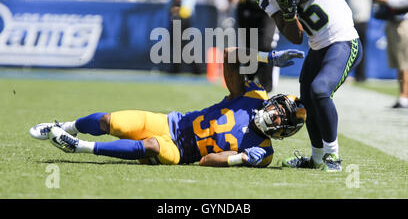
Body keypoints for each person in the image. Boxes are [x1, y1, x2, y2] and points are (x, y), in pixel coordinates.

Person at [29, 47, 305, 167]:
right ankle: (65, 127)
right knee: (110, 121)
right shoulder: (252, 96)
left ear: (285, 132)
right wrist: (266, 58)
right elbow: (230, 56)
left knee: (151, 146)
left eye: (282, 119)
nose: (275, 115)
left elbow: (206, 161)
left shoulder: (264, 152)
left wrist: (241, 158)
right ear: (273, 101)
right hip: (173, 123)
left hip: (180, 151)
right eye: (279, 108)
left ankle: (79, 147)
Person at [241, 0, 363, 172]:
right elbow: (295, 36)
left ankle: (332, 157)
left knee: (319, 90)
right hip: (317, 46)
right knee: (306, 100)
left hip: (343, 40)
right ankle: (316, 159)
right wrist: (288, 12)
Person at [371, 0, 408, 109]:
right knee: (398, 62)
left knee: (405, 62)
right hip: (392, 20)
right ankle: (402, 95)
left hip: (405, 21)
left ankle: (404, 96)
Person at [168, 0, 200, 74]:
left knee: (179, 42)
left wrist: (174, 8)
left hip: (182, 13)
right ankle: (194, 67)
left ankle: (180, 68)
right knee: (183, 42)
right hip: (186, 13)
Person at [344, 0, 372, 82]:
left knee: (362, 49)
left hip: (363, 21)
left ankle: (361, 76)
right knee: (349, 50)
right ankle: (346, 74)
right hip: (351, 21)